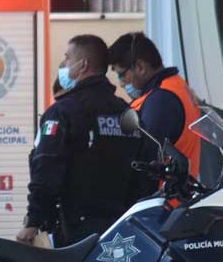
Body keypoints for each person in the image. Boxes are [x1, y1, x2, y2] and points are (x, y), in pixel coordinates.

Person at [17, 35, 140, 247]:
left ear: (83, 65)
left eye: (66, 58)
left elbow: (46, 167)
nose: (62, 65)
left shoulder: (63, 112)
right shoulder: (127, 112)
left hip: (73, 232)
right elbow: (143, 171)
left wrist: (33, 221)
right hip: (122, 231)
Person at [109, 32, 203, 181]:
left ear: (140, 67)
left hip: (163, 200)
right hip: (180, 196)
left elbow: (146, 162)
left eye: (122, 75)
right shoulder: (177, 85)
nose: (121, 83)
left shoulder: (160, 101)